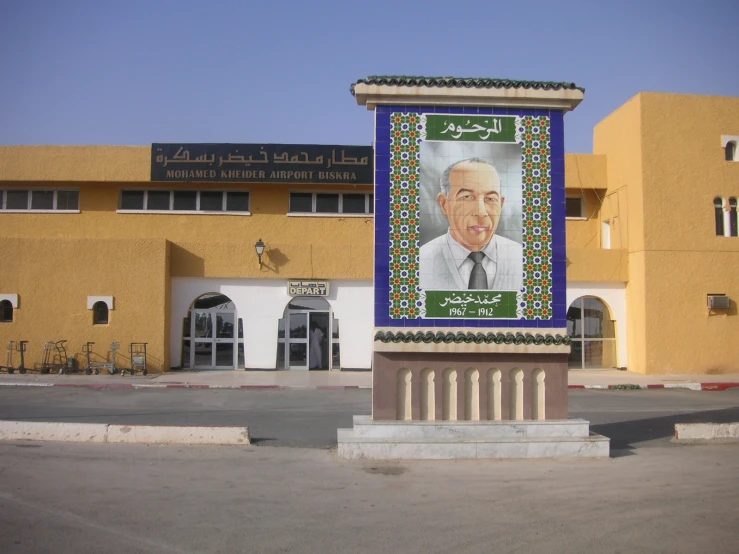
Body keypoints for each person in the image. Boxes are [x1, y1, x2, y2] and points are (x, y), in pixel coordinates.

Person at [419, 158, 523, 291]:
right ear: (444, 204)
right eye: (467, 197)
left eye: (490, 199)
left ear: (501, 205)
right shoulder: (418, 264)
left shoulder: (526, 262)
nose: (481, 212)